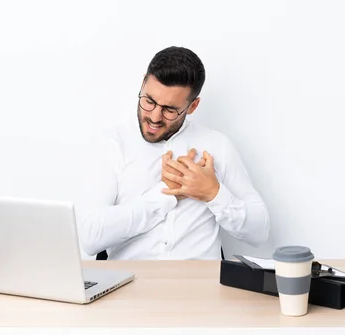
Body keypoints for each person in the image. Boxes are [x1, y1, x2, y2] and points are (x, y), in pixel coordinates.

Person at [77, 46, 270, 260]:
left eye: (170, 110)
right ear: (143, 83)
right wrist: (165, 194)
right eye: (149, 101)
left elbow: (259, 232)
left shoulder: (217, 145)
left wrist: (213, 193)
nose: (155, 117)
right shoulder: (111, 144)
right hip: (130, 286)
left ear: (193, 106)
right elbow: (90, 237)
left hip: (202, 288)